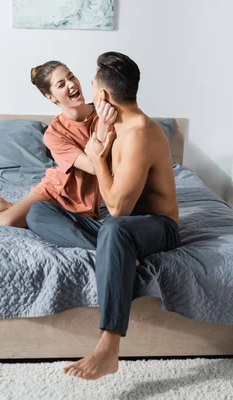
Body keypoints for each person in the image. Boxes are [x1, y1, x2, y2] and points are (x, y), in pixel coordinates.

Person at [26, 51, 181, 380]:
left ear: (103, 95)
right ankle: (116, 253)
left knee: (115, 231)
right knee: (38, 213)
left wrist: (97, 158)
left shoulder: (138, 134)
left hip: (158, 226)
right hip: (115, 225)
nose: (82, 85)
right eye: (62, 82)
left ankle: (109, 346)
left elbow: (117, 209)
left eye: (91, 81)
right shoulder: (107, 124)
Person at [0, 61, 117, 227]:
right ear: (51, 97)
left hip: (87, 203)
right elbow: (94, 166)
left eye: (71, 76)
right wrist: (105, 124)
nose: (71, 84)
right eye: (61, 84)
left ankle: (12, 207)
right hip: (55, 193)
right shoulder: (54, 134)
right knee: (3, 223)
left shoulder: (105, 112)